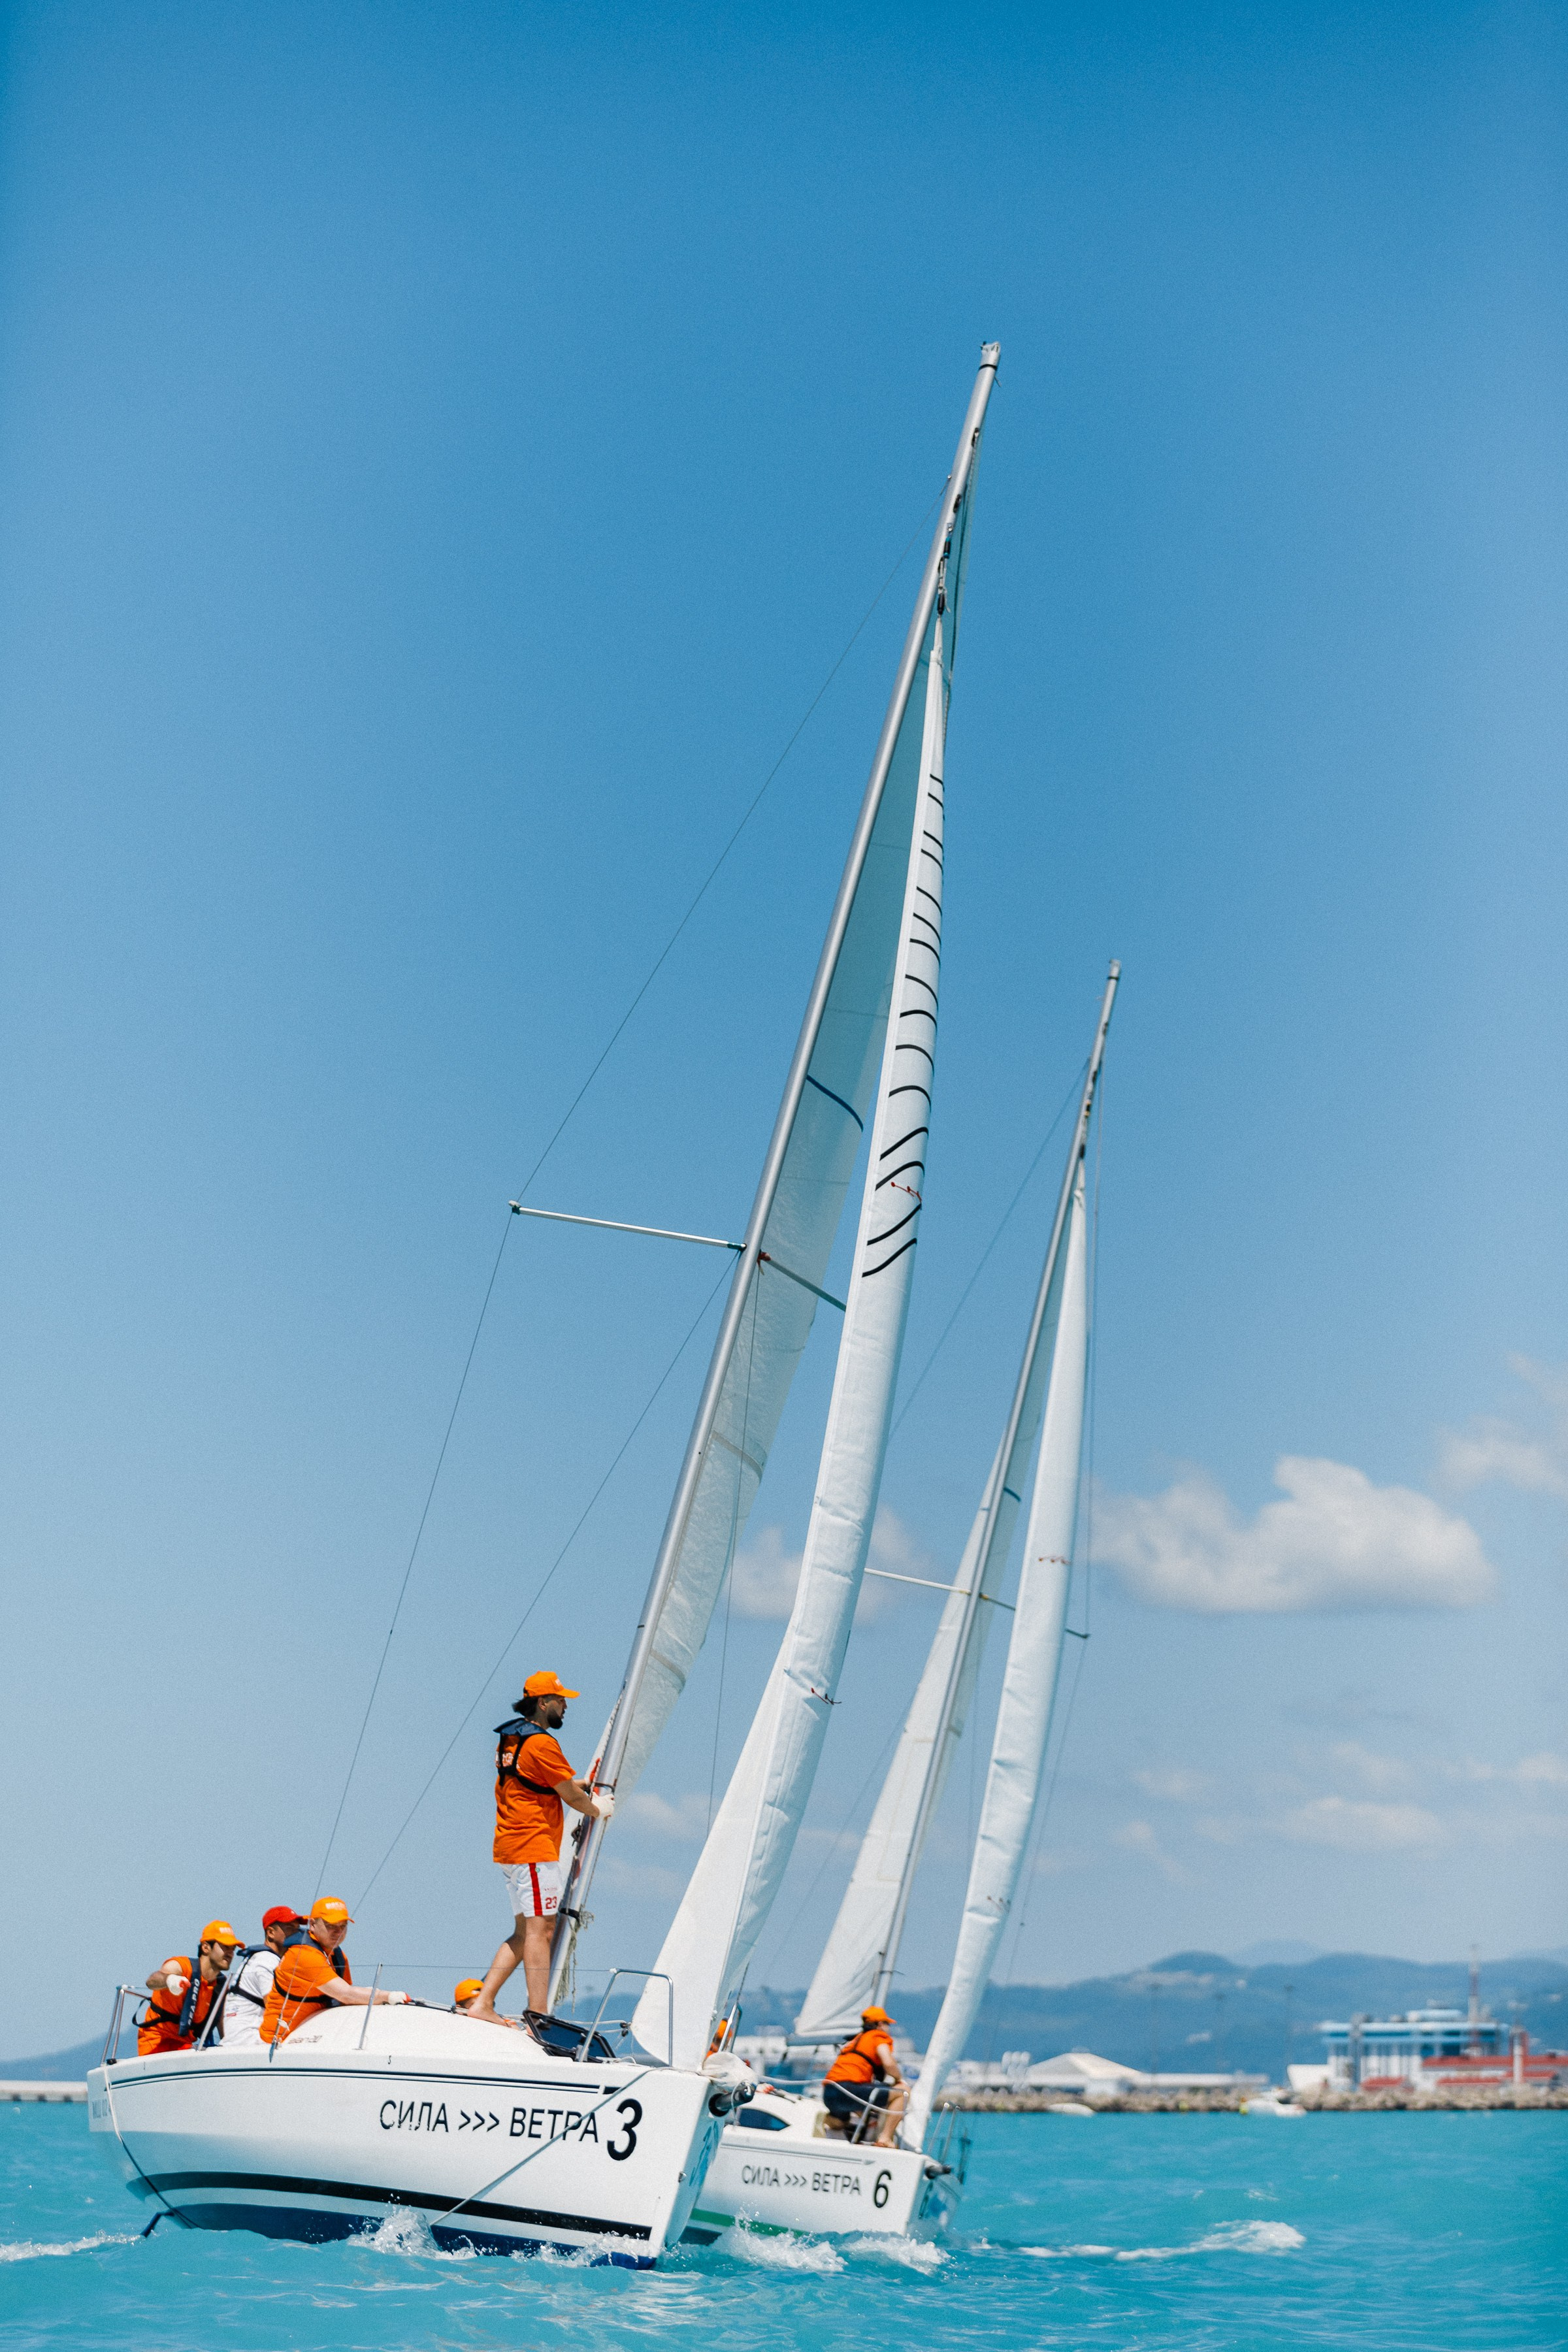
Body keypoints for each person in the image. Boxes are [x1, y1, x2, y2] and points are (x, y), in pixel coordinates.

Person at [466, 1671, 612, 2023]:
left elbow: (537, 1781)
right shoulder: (543, 1743)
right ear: (543, 1703)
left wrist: (578, 1785)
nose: (566, 1707)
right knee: (541, 1931)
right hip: (533, 1847)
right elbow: (569, 1795)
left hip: (511, 1846)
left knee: (524, 1932)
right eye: (561, 1701)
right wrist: (598, 1809)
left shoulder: (513, 1739)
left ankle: (483, 2004)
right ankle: (538, 2014)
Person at [259, 1898, 408, 2045]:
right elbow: (346, 1994)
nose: (338, 1932)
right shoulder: (303, 1955)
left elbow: (346, 2001)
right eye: (330, 1925)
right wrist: (388, 1996)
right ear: (312, 1925)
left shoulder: (338, 1957)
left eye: (343, 1926)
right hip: (275, 2042)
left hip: (308, 2038)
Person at [139, 1922, 242, 2054]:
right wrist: (170, 1980)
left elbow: (224, 2029)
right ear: (206, 1948)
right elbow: (152, 1981)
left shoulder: (220, 1985)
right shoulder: (183, 1967)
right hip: (156, 2046)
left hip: (186, 2048)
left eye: (233, 1948)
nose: (230, 1953)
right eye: (225, 1946)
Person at [821, 2005, 907, 2147]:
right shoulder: (878, 2037)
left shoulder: (855, 2040)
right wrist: (898, 2079)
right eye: (887, 2024)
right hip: (850, 2089)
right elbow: (888, 2063)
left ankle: (827, 2122)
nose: (888, 2028)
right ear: (880, 2024)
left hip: (830, 2092)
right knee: (902, 2093)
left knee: (841, 2122)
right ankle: (885, 2138)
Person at [220, 1907, 305, 2050]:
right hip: (250, 2044)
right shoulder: (266, 1960)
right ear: (271, 1933)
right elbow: (276, 2007)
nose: (297, 1933)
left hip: (235, 2044)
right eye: (290, 1928)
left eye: (298, 1929)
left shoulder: (257, 1958)